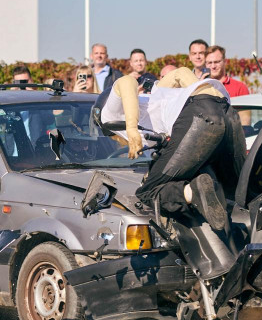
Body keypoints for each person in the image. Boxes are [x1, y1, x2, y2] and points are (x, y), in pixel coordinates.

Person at [97, 68, 245, 236]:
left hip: (201, 114)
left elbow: (127, 82)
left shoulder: (107, 115)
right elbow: (180, 73)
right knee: (238, 193)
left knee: (148, 192)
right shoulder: (158, 99)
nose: (118, 143)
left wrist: (131, 129)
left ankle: (193, 191)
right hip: (227, 112)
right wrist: (209, 100)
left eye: (113, 139)